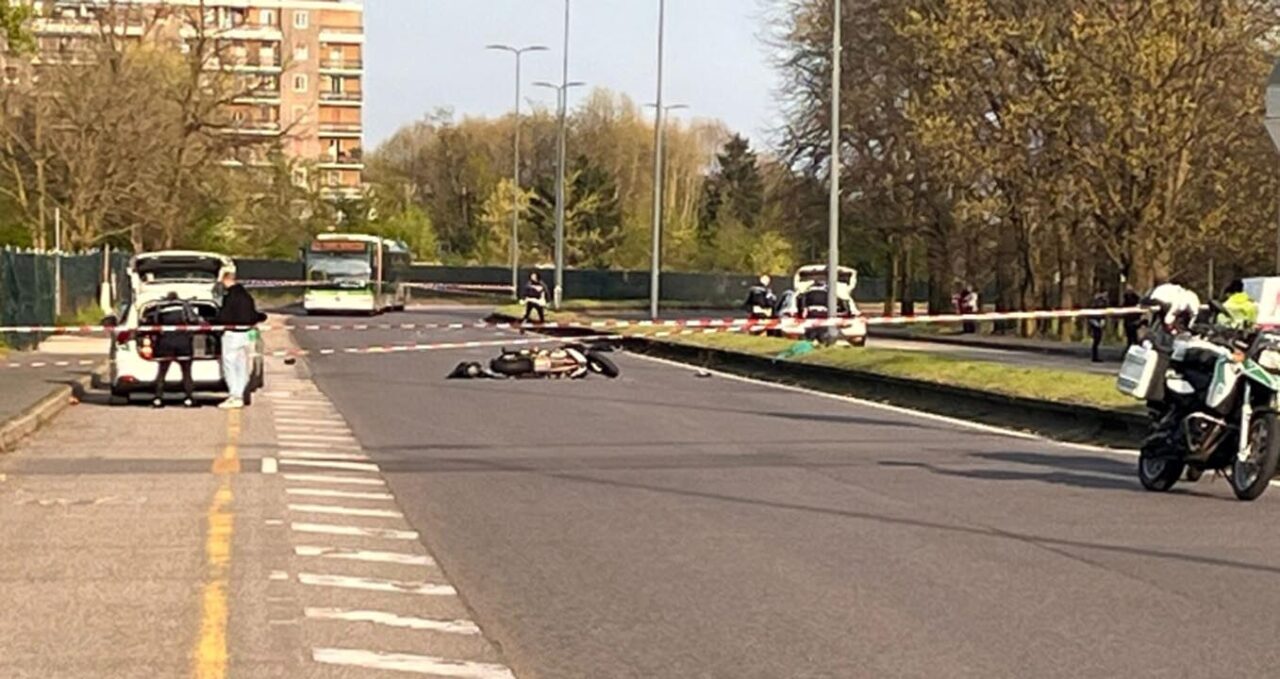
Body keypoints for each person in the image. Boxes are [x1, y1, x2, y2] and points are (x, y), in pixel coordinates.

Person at [214, 270, 266, 410]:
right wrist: (262, 317)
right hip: (246, 334)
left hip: (232, 335)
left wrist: (213, 321)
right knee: (242, 365)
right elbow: (253, 315)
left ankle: (234, 396)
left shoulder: (230, 296)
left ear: (225, 280)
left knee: (229, 365)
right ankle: (240, 394)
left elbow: (224, 317)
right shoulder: (246, 296)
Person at [150, 292, 199, 409]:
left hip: (165, 343)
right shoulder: (184, 306)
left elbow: (154, 322)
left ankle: (158, 398)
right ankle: (188, 398)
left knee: (162, 372)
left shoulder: (160, 307)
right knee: (186, 372)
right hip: (183, 342)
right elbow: (193, 320)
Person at [1088, 289, 1109, 363]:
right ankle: (1095, 357)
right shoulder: (1097, 303)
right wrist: (1096, 322)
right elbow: (1093, 313)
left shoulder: (1103, 302)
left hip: (1098, 322)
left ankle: (1095, 356)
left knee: (1097, 340)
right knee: (1096, 340)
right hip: (1095, 322)